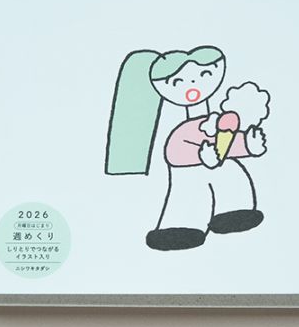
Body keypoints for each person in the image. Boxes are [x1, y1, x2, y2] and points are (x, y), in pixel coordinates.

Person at [105, 46, 268, 250]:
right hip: (188, 170)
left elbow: (227, 143)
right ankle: (181, 229)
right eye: (177, 82)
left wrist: (248, 144)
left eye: (205, 75)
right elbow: (174, 152)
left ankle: (235, 211)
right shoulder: (184, 130)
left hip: (217, 163)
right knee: (188, 195)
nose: (192, 87)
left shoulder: (218, 120)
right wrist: (201, 155)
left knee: (233, 176)